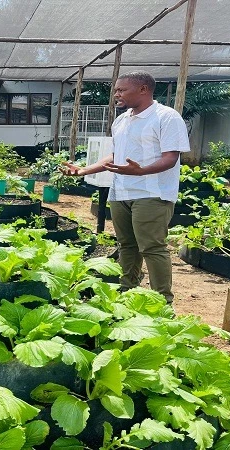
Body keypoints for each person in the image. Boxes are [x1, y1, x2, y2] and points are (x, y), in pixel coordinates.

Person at [62, 71, 189, 302]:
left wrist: (141, 171)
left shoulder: (166, 117)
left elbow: (171, 158)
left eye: (122, 90)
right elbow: (115, 156)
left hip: (152, 193)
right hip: (120, 192)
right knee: (126, 245)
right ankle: (127, 291)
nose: (116, 94)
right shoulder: (121, 120)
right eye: (116, 90)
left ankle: (163, 301)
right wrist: (83, 170)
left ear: (143, 89)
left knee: (152, 247)